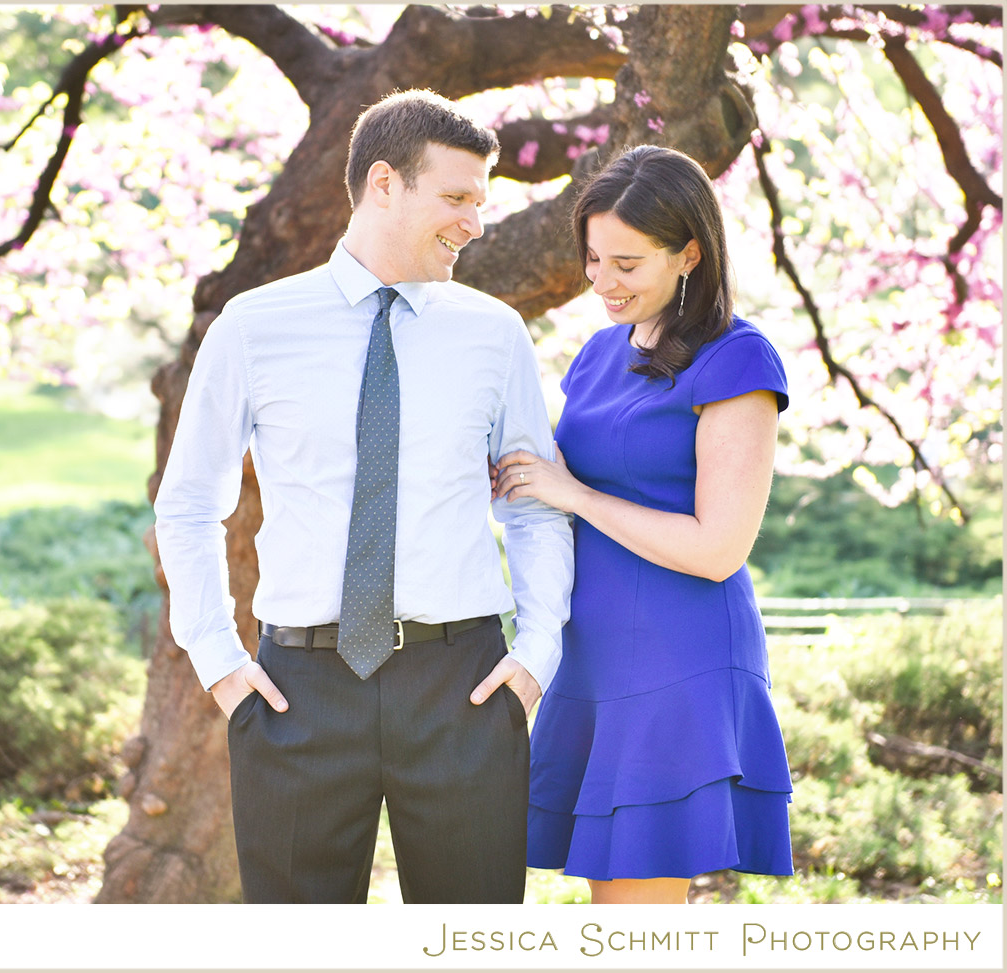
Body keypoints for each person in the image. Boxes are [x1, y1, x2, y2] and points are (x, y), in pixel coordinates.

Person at [154, 89, 574, 904]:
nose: (475, 224)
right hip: (295, 692)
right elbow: (187, 503)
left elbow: (530, 501)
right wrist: (219, 662)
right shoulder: (253, 325)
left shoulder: (494, 333)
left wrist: (537, 653)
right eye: (456, 198)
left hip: (464, 687)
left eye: (481, 203)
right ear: (385, 183)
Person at [495, 145, 794, 905]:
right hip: (592, 659)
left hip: (678, 657)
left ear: (690, 251)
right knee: (613, 910)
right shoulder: (597, 354)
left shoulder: (738, 358)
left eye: (626, 263)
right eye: (593, 259)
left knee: (635, 925)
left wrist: (578, 496)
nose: (602, 281)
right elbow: (551, 483)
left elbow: (718, 547)